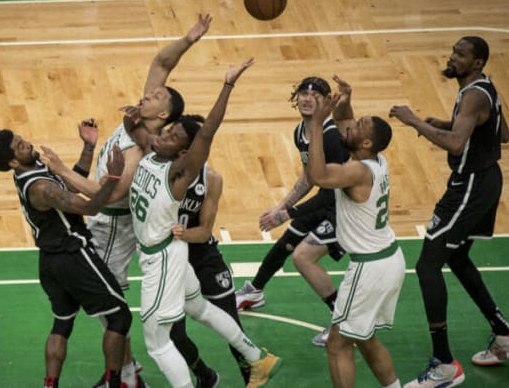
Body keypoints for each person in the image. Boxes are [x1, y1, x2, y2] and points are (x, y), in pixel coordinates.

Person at [53, 14, 213, 387]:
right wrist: (189, 39)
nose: (148, 92)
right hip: (112, 222)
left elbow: (102, 194)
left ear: (163, 115)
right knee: (109, 306)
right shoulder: (145, 119)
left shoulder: (142, 153)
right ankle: (131, 372)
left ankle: (127, 376)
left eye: (156, 96)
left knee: (108, 307)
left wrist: (61, 171)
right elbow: (161, 63)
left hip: (112, 226)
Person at [124, 58, 281, 388]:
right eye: (169, 131)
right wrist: (130, 120)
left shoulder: (180, 173)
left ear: (186, 150)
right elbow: (136, 131)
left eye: (175, 135)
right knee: (198, 307)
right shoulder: (156, 151)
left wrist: (227, 85)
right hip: (172, 251)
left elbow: (207, 130)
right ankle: (256, 357)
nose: (166, 135)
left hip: (162, 258)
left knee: (156, 342)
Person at [389, 36, 509, 388]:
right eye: (453, 51)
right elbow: (504, 133)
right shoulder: (484, 89)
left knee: (427, 265)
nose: (452, 58)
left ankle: (444, 364)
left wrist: (415, 121)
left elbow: (455, 144)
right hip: (486, 181)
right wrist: (451, 122)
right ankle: (505, 336)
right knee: (457, 256)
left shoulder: (473, 95)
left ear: (478, 63)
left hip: (469, 187)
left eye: (461, 55)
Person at [0, 131, 132, 388]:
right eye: (20, 146)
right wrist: (114, 178)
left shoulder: (33, 170)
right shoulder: (42, 189)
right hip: (72, 255)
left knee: (62, 323)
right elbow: (89, 207)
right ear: (12, 162)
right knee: (120, 317)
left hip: (50, 262)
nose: (28, 144)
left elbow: (70, 184)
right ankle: (114, 382)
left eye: (23, 139)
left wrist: (88, 147)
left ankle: (50, 384)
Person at [234, 75, 352, 346]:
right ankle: (255, 291)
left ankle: (342, 323)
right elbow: (311, 177)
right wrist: (282, 207)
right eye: (303, 93)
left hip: (345, 209)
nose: (307, 99)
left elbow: (332, 190)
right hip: (325, 200)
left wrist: (289, 212)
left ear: (326, 102)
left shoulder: (331, 136)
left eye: (315, 95)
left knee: (303, 257)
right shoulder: (301, 132)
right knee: (287, 241)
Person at [306, 89, 404, 388]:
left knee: (337, 345)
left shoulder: (356, 171)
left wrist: (318, 125)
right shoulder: (377, 159)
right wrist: (343, 105)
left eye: (357, 126)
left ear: (365, 143)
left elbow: (318, 176)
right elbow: (346, 124)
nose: (348, 127)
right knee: (365, 339)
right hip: (389, 258)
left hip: (369, 268)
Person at [169, 140, 252, 386]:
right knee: (173, 331)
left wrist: (177, 234)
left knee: (230, 322)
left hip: (203, 256)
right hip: (172, 259)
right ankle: (204, 375)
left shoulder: (212, 178)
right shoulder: (165, 172)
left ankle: (251, 378)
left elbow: (204, 232)